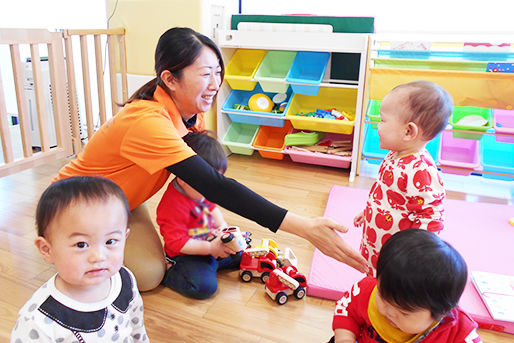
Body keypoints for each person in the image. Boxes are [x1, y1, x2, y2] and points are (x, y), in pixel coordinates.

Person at [54, 27, 367, 291]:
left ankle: (113, 232)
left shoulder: (191, 117)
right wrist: (305, 226)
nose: (216, 84)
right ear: (170, 79)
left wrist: (215, 228)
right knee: (149, 277)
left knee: (150, 271)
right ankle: (62, 240)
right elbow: (215, 185)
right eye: (206, 74)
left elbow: (204, 188)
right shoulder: (147, 121)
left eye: (218, 72)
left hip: (123, 200)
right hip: (76, 204)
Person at [11, 176, 148, 342]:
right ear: (47, 249)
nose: (98, 256)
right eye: (81, 244)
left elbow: (136, 326)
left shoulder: (125, 279)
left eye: (110, 241)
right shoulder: (39, 321)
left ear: (125, 238)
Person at [354, 81, 453, 276]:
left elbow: (431, 217)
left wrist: (415, 254)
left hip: (398, 257)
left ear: (408, 131)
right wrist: (369, 211)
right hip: (378, 242)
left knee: (389, 288)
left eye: (382, 120)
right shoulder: (395, 154)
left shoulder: (420, 170)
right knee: (374, 277)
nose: (377, 125)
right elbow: (385, 192)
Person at [330, 229, 481, 343]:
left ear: (441, 312)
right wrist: (345, 339)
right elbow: (346, 310)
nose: (389, 312)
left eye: (404, 313)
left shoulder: (458, 331)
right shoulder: (367, 290)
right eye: (383, 298)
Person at [156, 130, 242, 299]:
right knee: (205, 287)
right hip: (187, 256)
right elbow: (177, 243)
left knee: (241, 254)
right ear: (183, 178)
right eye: (208, 184)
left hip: (210, 244)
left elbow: (212, 208)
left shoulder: (200, 189)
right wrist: (211, 248)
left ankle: (214, 264)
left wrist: (223, 229)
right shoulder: (171, 207)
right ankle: (170, 274)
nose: (212, 190)